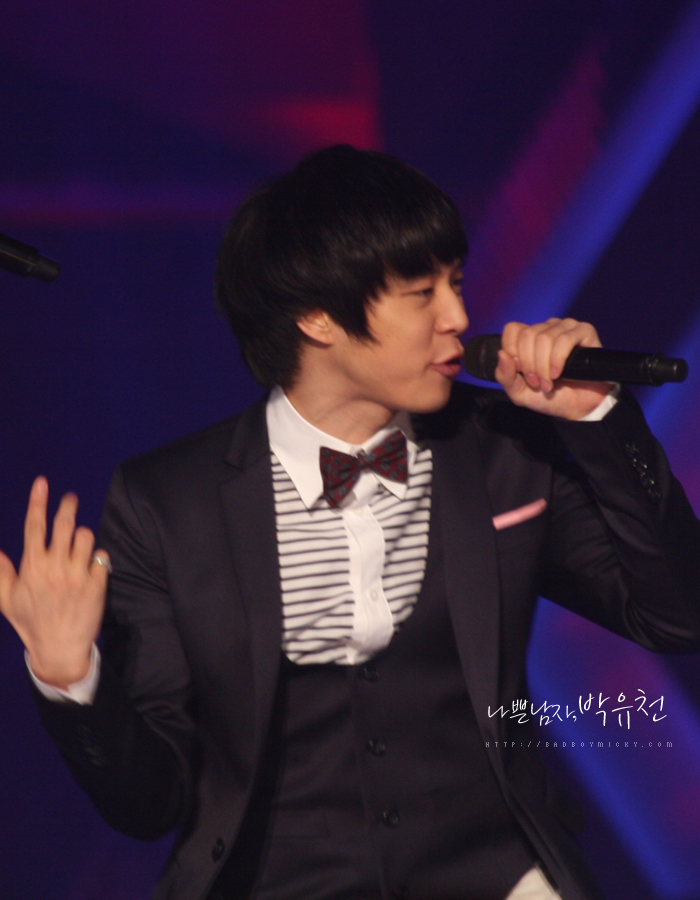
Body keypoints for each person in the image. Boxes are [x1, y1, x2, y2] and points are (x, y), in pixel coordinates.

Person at [1, 144, 699, 900]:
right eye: (421, 293)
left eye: (457, 283)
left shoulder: (504, 447)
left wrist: (596, 419)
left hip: (497, 874)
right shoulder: (168, 502)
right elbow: (150, 804)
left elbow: (678, 615)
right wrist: (71, 677)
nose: (459, 318)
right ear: (317, 316)